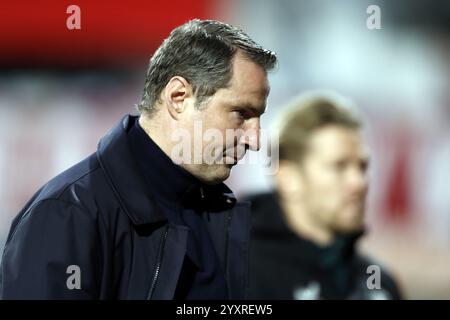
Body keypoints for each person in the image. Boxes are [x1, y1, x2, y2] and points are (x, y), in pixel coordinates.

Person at [0, 19, 277, 299]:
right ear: (178, 97)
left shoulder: (222, 216)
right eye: (241, 114)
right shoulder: (67, 215)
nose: (254, 140)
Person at [247, 93, 402, 299]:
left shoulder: (380, 282)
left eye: (362, 167)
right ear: (288, 178)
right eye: (339, 166)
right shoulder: (237, 277)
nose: (359, 182)